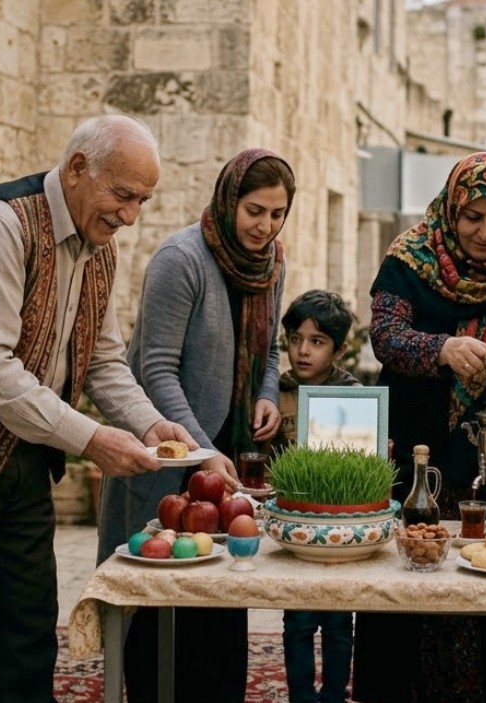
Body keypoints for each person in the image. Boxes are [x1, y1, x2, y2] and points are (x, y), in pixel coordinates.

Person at [0, 114, 195, 702]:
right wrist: (94, 440)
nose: (130, 216)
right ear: (76, 169)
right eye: (122, 195)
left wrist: (150, 424)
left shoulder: (100, 249)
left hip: (22, 461)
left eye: (142, 201)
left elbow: (101, 362)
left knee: (26, 641)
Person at [353, 151, 486, 703]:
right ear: (453, 210)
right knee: (408, 574)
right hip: (417, 451)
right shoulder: (410, 257)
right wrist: (442, 348)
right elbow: (385, 336)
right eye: (473, 217)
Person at [97, 147, 293, 702]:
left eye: (278, 213)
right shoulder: (179, 259)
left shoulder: (271, 262)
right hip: (170, 456)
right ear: (229, 200)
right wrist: (201, 449)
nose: (266, 225)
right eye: (255, 210)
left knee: (221, 599)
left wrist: (265, 394)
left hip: (226, 461)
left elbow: (270, 347)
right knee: (159, 606)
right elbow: (155, 370)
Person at [273, 289, 360, 703]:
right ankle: (302, 697)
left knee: (340, 621)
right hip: (297, 529)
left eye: (317, 342)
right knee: (299, 620)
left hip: (341, 528)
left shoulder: (353, 393)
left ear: (338, 350)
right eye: (294, 339)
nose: (302, 351)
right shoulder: (274, 393)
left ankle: (333, 696)